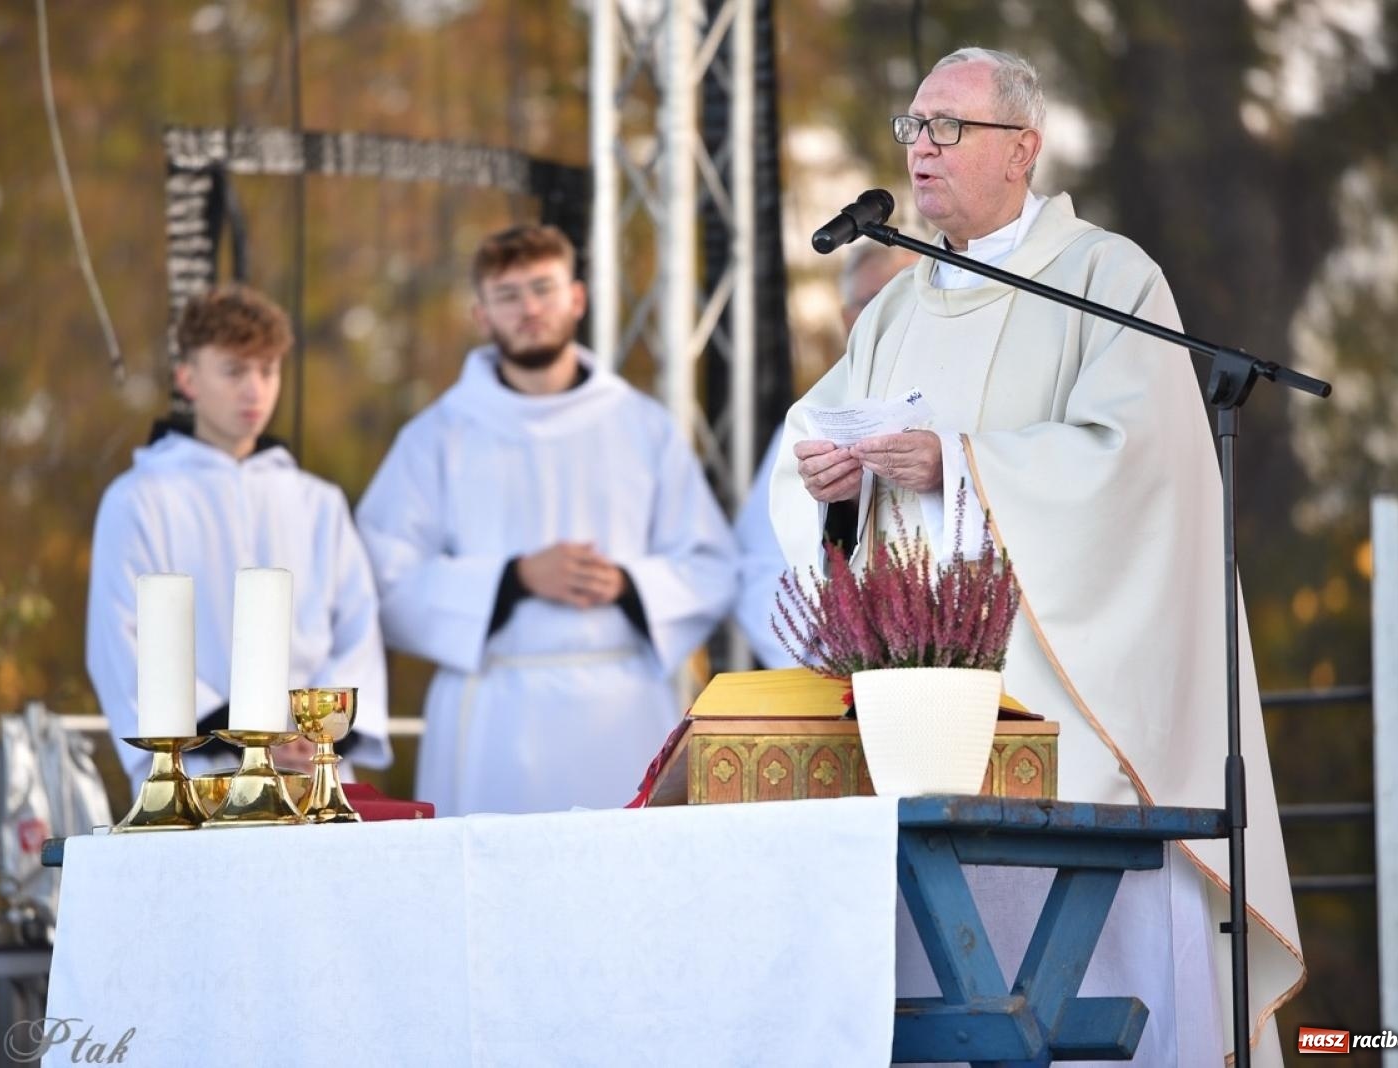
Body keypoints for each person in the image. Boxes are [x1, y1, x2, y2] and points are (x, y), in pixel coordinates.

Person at [768, 47, 1302, 1064]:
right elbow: (813, 447)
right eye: (913, 127)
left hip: (1073, 714)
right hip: (920, 723)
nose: (920, 150)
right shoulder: (895, 308)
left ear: (1023, 148)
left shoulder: (1108, 278)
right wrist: (837, 485)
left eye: (947, 128)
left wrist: (961, 465)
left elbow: (1138, 469)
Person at [355, 223, 736, 817]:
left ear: (577, 298)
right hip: (493, 713)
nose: (529, 309)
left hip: (623, 707)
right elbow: (382, 577)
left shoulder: (642, 426)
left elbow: (711, 565)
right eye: (508, 295)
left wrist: (628, 584)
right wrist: (513, 579)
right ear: (481, 314)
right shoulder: (438, 435)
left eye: (543, 289)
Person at [86, 284, 391, 783]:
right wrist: (249, 733)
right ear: (188, 378)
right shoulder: (138, 499)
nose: (254, 390)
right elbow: (120, 643)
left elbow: (357, 632)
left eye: (267, 371)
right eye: (234, 371)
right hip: (200, 771)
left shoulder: (318, 502)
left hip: (316, 770)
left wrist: (313, 733)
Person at [732, 241, 916, 667]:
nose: (897, 314)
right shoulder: (810, 421)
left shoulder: (972, 413)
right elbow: (761, 570)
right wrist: (835, 659)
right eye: (877, 301)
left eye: (912, 298)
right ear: (848, 318)